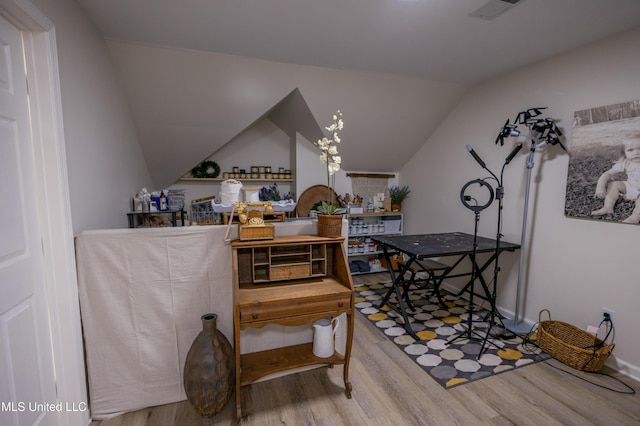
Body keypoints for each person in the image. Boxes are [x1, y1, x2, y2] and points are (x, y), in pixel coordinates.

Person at [591, 134, 640, 223]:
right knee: (614, 184)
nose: (636, 152)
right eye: (630, 150)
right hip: (631, 188)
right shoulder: (626, 163)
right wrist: (600, 185)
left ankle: (635, 217)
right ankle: (607, 207)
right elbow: (608, 173)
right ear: (624, 153)